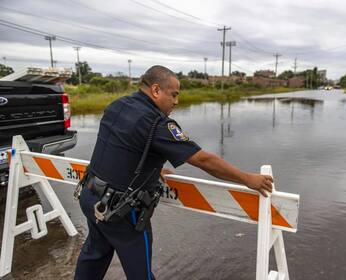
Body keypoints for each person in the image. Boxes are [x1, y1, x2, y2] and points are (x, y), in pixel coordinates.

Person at [74, 65, 273, 280]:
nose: (176, 102)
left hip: (90, 195)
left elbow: (121, 145)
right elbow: (202, 159)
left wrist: (153, 168)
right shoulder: (156, 124)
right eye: (174, 94)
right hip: (121, 214)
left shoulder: (118, 105)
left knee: (94, 255)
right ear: (156, 90)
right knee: (140, 274)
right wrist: (247, 179)